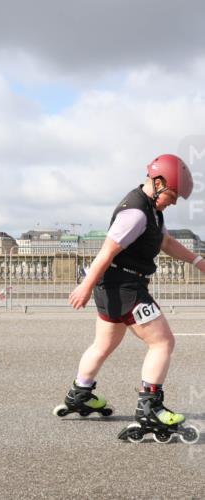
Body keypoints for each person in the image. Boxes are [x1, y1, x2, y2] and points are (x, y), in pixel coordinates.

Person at [56, 154, 204, 439]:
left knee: (103, 344)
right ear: (158, 183)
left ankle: (80, 393)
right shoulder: (136, 213)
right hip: (125, 287)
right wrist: (85, 286)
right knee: (162, 342)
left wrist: (197, 261)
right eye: (172, 195)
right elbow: (107, 251)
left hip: (113, 286)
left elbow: (166, 242)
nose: (173, 203)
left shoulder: (151, 209)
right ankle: (150, 409)